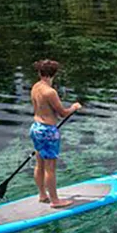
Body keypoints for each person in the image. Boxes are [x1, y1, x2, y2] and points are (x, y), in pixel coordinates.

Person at [30, 59, 81, 208]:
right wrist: (74, 107)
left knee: (39, 164)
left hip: (36, 127)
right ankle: (55, 201)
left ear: (40, 73)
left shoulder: (36, 87)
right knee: (50, 167)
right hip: (48, 131)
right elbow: (63, 113)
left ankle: (42, 195)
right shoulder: (50, 92)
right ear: (54, 74)